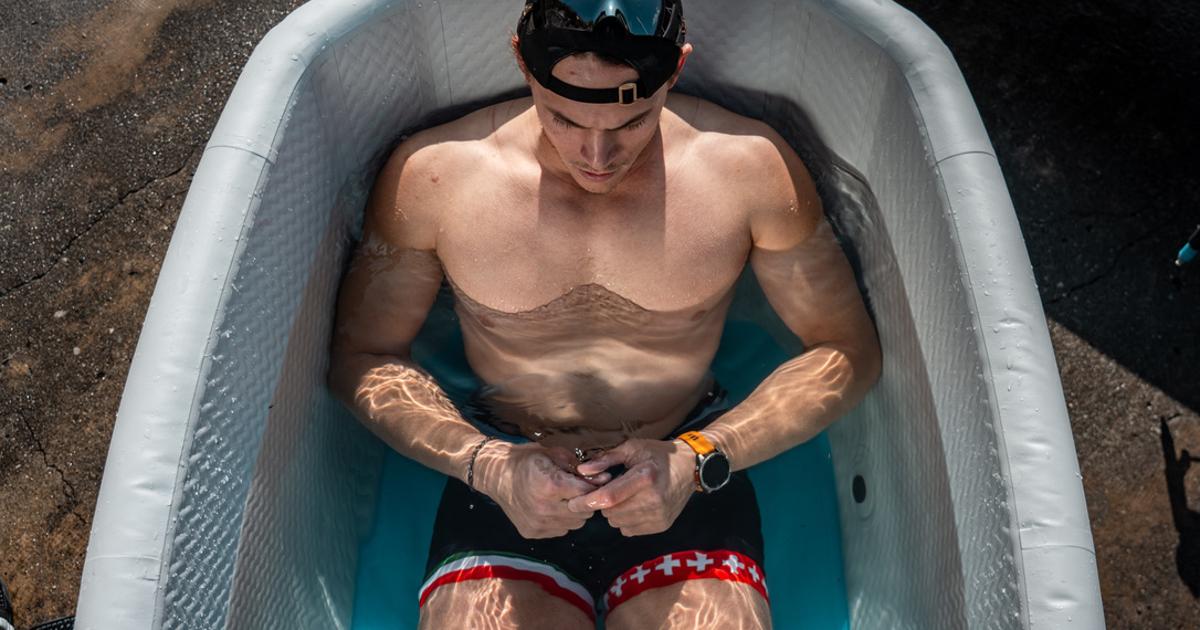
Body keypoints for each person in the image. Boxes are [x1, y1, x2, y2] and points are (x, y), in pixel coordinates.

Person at [328, 0, 882, 627]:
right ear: (520, 62)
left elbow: (844, 350)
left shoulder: (748, 172)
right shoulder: (436, 178)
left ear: (676, 72)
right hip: (506, 471)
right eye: (562, 118)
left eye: (632, 121)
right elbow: (364, 358)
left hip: (685, 468)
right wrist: (483, 464)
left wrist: (701, 456)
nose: (596, 154)